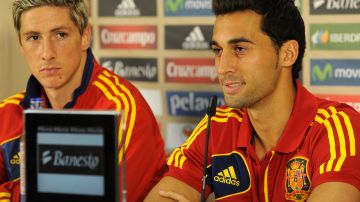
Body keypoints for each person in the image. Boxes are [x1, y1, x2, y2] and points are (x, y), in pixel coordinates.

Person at [145, 0, 360, 201]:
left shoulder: (336, 128)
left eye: (240, 49)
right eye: (218, 50)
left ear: (287, 54)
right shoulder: (217, 125)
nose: (222, 67)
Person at [0, 0, 166, 201]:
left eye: (60, 35)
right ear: (20, 44)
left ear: (85, 36)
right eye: (33, 37)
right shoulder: (6, 114)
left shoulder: (121, 109)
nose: (47, 54)